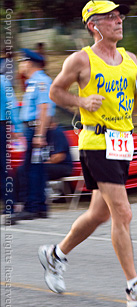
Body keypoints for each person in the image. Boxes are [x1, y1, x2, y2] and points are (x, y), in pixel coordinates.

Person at [38, 0, 137, 307]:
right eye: (110, 17)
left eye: (119, 15)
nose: (118, 21)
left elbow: (133, 109)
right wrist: (80, 101)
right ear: (93, 26)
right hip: (96, 144)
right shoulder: (81, 60)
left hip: (123, 143)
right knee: (123, 213)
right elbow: (55, 91)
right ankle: (133, 289)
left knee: (100, 214)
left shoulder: (130, 60)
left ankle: (55, 254)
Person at [12, 48, 56, 222]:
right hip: (34, 130)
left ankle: (32, 207)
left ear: (29, 63)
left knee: (31, 169)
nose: (21, 65)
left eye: (22, 62)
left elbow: (44, 108)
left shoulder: (40, 81)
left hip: (36, 130)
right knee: (35, 168)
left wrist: (39, 134)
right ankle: (40, 207)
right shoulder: (34, 82)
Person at [14, 121, 72, 212]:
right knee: (22, 169)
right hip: (48, 164)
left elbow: (59, 156)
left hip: (62, 166)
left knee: (37, 170)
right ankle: (21, 201)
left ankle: (39, 202)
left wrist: (40, 165)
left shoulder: (57, 133)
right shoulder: (43, 134)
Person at [0, 73, 22, 225]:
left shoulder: (2, 80)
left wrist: (16, 127)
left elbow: (11, 104)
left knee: (3, 167)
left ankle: (10, 206)